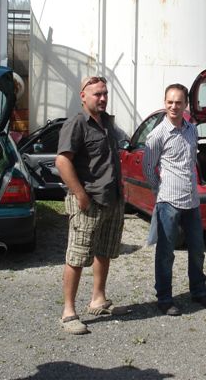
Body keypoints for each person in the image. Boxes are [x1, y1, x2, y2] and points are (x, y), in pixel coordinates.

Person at [55, 75, 128, 335]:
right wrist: (80, 195)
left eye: (105, 93)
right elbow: (62, 161)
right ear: (83, 96)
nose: (103, 98)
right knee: (77, 256)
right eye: (97, 94)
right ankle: (68, 313)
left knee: (104, 250)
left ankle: (98, 299)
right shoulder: (76, 124)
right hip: (89, 201)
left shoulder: (107, 122)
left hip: (111, 198)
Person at [143, 84, 206, 316]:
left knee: (197, 250)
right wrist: (160, 190)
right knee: (166, 254)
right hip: (168, 202)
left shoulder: (192, 130)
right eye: (170, 102)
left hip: (192, 201)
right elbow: (148, 168)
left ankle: (199, 292)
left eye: (178, 102)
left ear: (186, 104)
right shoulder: (157, 135)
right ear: (164, 103)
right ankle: (165, 299)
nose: (174, 106)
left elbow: (191, 161)